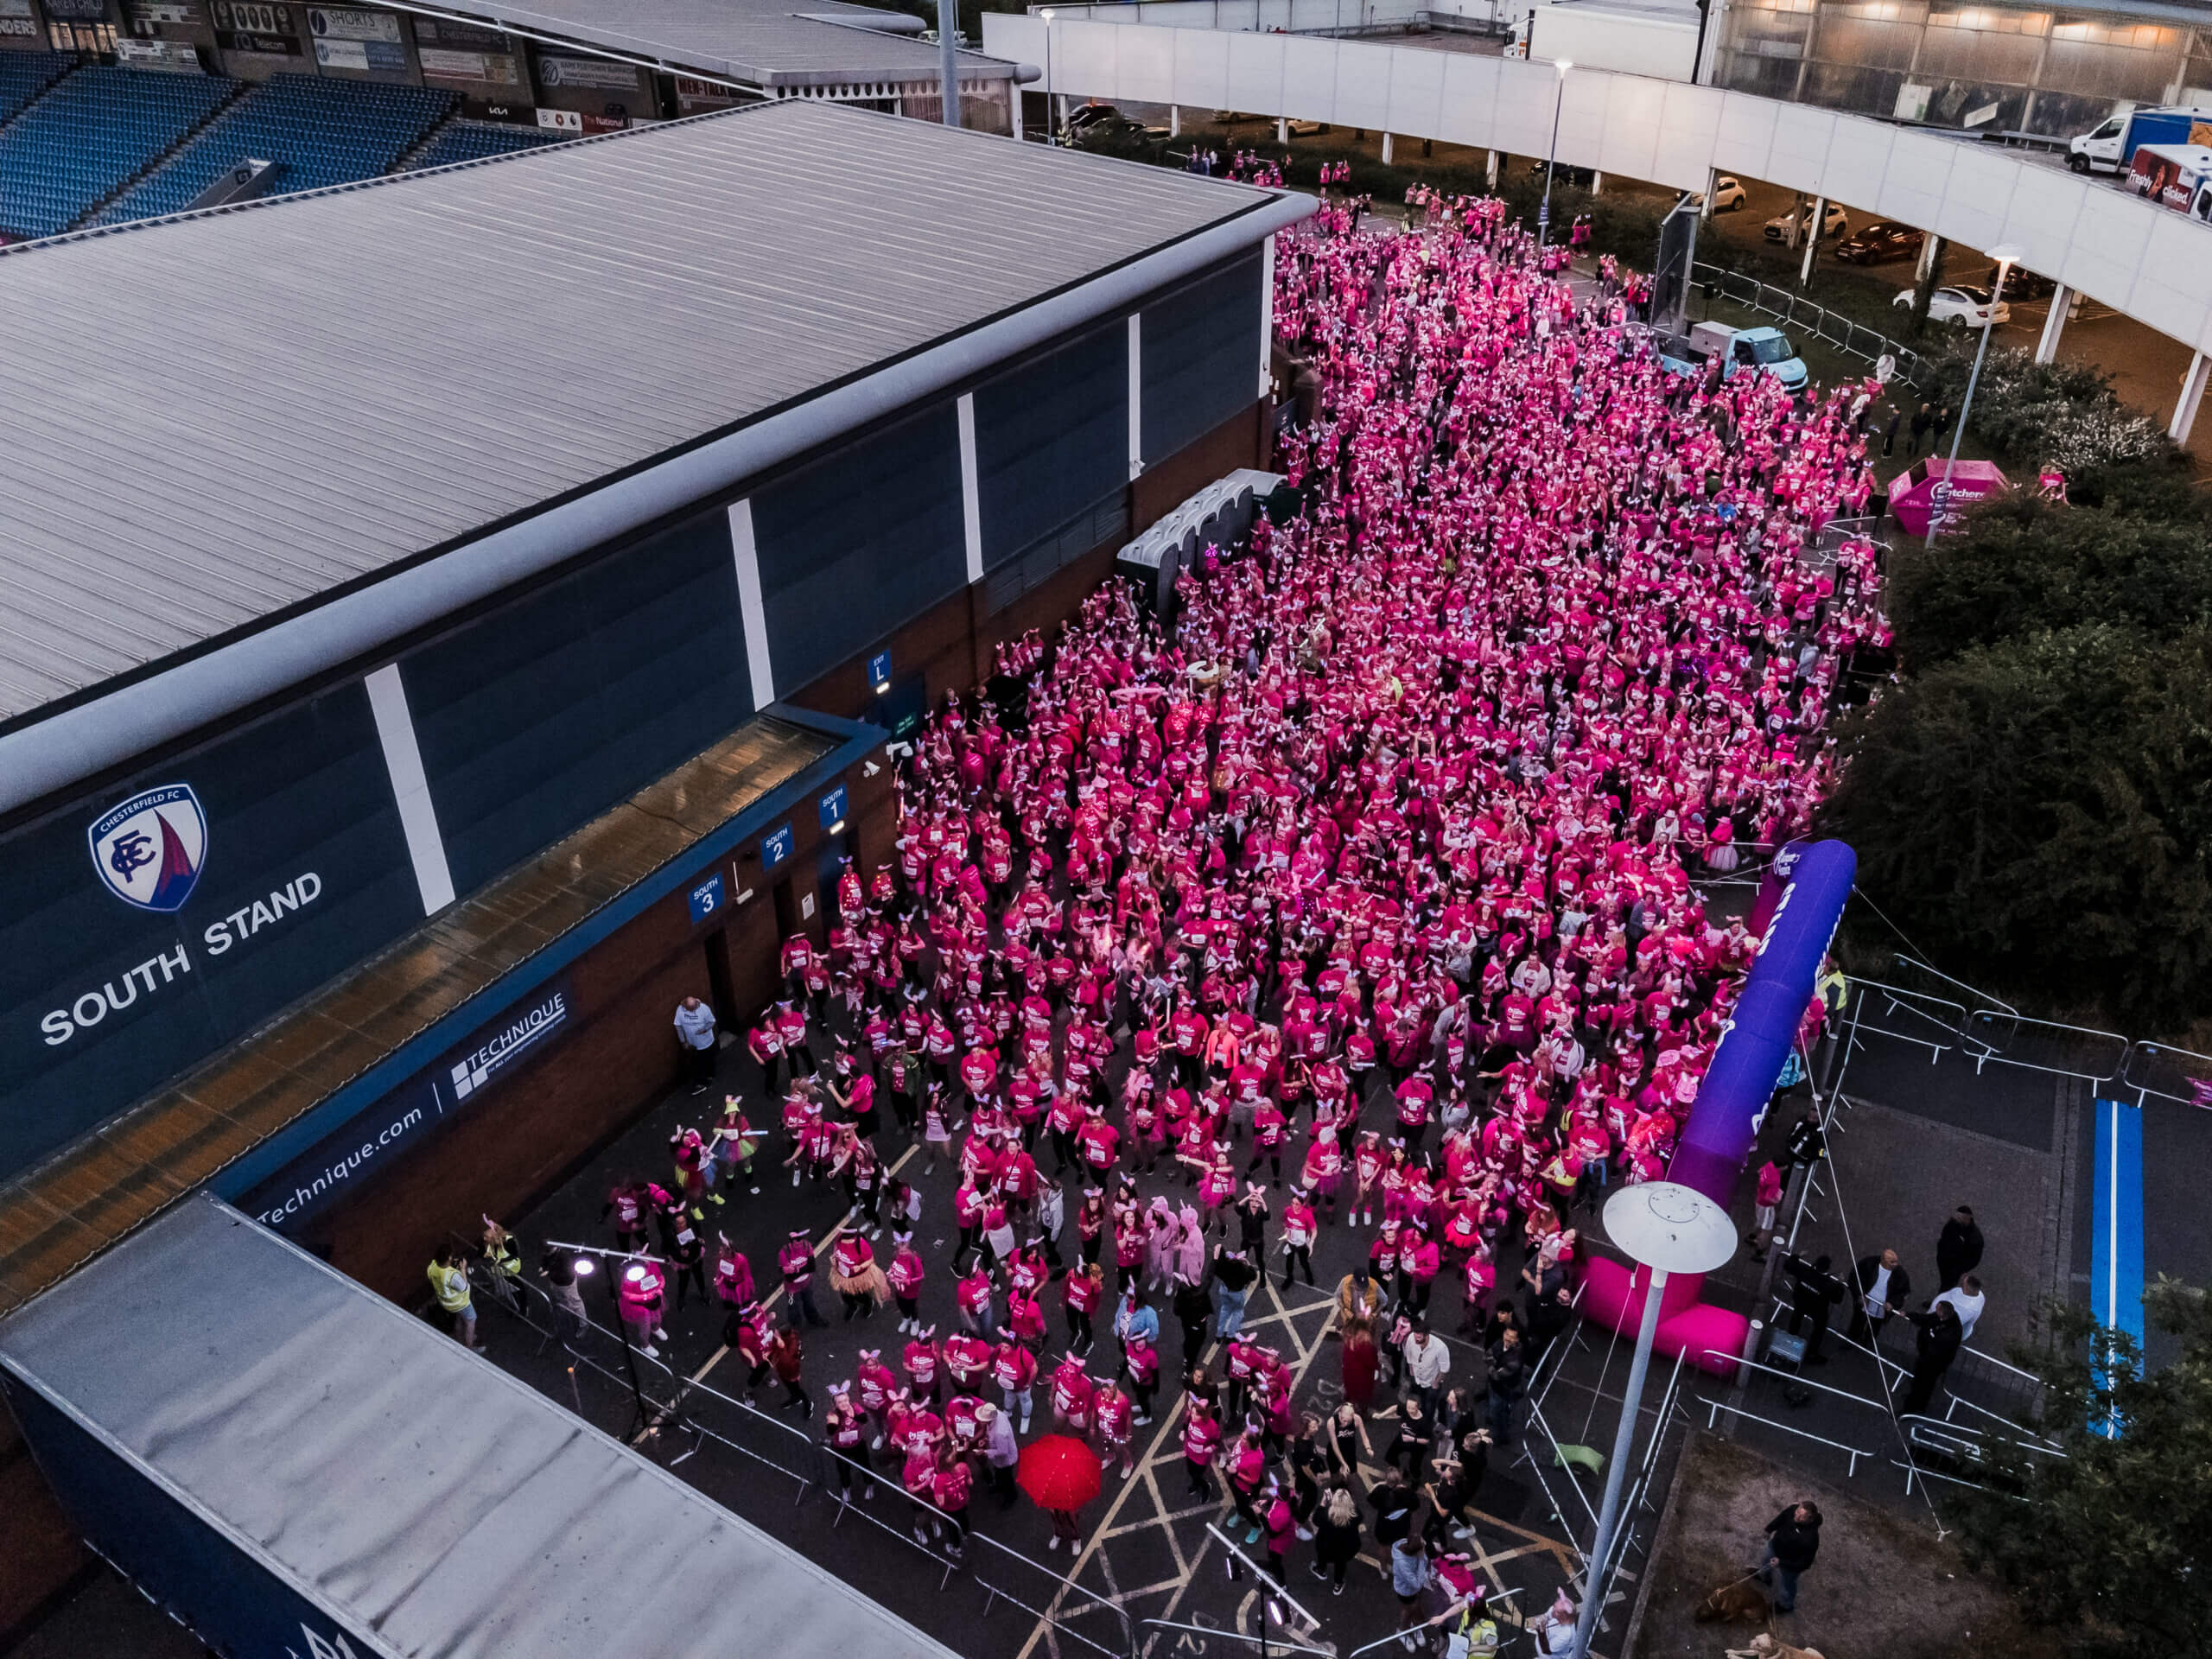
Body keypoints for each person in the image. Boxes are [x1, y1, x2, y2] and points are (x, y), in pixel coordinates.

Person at [1900, 1299, 1964, 1414]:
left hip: (1933, 1364)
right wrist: (1909, 1315)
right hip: (1926, 1358)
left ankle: (1909, 1409)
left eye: (1937, 1310)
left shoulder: (1951, 1332)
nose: (1935, 1311)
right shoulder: (1943, 1317)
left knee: (1923, 1385)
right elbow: (1926, 1319)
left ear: (1943, 1314)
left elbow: (1936, 1349)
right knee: (1920, 1383)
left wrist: (1927, 1340)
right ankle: (1918, 1404)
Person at [1780, 1251, 1844, 1363]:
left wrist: (1797, 1256)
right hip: (1817, 1310)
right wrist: (1840, 1283)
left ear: (1815, 1264)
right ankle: (1811, 1353)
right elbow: (1837, 1299)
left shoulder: (1804, 1271)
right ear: (1827, 1269)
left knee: (1796, 1318)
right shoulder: (1828, 1284)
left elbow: (1788, 1266)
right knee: (1819, 1329)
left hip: (1800, 1302)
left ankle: (1790, 1339)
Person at [1759, 1501, 1821, 1613]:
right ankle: (1765, 1578)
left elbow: (1804, 1564)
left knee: (1787, 1585)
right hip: (1775, 1546)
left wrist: (1782, 1563)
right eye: (1797, 1512)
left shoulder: (1811, 1539)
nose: (1796, 1517)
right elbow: (1781, 1517)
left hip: (1789, 1563)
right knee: (1765, 1560)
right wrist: (1769, 1529)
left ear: (1810, 1519)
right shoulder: (1792, 1510)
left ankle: (1785, 1605)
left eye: (1802, 1517)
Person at [1849, 1248, 1910, 1347]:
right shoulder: (1869, 1264)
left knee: (1875, 1326)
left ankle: (1868, 1341)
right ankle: (1852, 1339)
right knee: (1857, 1322)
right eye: (1892, 1262)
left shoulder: (1900, 1274)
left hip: (1882, 1309)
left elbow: (1904, 1293)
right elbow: (1854, 1278)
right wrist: (1858, 1295)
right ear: (1883, 1261)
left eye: (1896, 1261)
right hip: (1865, 1303)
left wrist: (1892, 1303)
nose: (1896, 1264)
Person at [1309, 1483, 1363, 1593]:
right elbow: (1357, 1514)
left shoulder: (1326, 1515)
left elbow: (1315, 1519)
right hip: (1346, 1548)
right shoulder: (1356, 1514)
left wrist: (1324, 1501)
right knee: (1340, 1564)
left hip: (1326, 1546)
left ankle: (1320, 1570)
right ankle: (1338, 1584)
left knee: (1322, 1557)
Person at [427, 1243, 480, 1351]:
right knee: (471, 1321)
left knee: (459, 1319)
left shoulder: (431, 1267)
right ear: (449, 1258)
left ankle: (460, 1339)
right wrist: (463, 1269)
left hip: (446, 1302)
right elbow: (464, 1287)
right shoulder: (452, 1275)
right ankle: (469, 1347)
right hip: (461, 1303)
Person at [1389, 1529, 1437, 1649]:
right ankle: (1401, 1631)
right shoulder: (1403, 1564)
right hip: (1406, 1591)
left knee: (1415, 1607)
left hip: (1417, 1588)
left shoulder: (1409, 1545)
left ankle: (1415, 1627)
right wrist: (1421, 1559)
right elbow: (1415, 1584)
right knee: (1408, 1610)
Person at [1402, 1318, 1451, 1412]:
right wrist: (1412, 1372)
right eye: (1415, 1336)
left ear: (1427, 1335)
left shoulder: (1440, 1348)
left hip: (1431, 1383)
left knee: (1429, 1405)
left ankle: (1427, 1418)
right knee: (1415, 1399)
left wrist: (1436, 1383)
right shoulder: (1411, 1338)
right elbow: (1409, 1355)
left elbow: (1444, 1369)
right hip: (1416, 1378)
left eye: (1419, 1338)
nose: (1416, 1340)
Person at [674, 994, 718, 1094]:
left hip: (706, 1042)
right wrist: (683, 1041)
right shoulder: (680, 1010)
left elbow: (712, 1022)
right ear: (685, 1006)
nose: (692, 1011)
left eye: (694, 1009)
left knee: (709, 1059)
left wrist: (704, 1030)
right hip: (692, 1045)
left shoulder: (704, 1009)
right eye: (690, 1009)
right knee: (696, 1064)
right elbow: (678, 1026)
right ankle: (701, 1082)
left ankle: (710, 1075)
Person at [1936, 1205, 1984, 1291]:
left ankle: (1940, 1302)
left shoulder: (1975, 1239)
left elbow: (1974, 1260)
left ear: (1968, 1218)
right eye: (1957, 1216)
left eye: (1961, 1217)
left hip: (1954, 1267)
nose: (1957, 1219)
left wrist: (1958, 1270)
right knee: (1944, 1282)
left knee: (1947, 1286)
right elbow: (1945, 1235)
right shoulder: (1954, 1223)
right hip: (1944, 1259)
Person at [1932, 1271, 1986, 1342]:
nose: (1962, 1281)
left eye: (1963, 1284)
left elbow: (1946, 1325)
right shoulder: (1979, 1295)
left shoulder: (1962, 1311)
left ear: (1966, 1289)